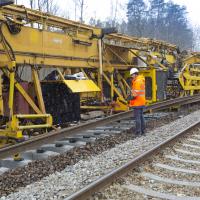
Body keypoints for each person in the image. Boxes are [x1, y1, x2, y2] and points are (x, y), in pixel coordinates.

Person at [129, 68, 146, 136]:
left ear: (135, 74)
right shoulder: (141, 80)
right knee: (141, 117)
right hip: (141, 101)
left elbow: (135, 94)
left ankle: (138, 132)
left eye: (132, 75)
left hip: (137, 102)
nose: (131, 76)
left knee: (137, 118)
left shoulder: (137, 81)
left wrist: (130, 98)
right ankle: (143, 131)